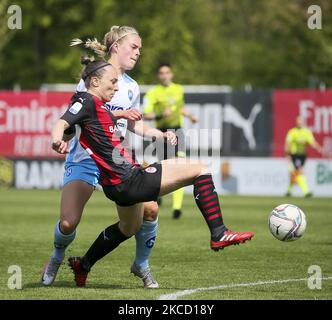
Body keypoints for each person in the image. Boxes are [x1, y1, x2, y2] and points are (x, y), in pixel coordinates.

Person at [51, 59, 254, 287]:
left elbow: (91, 122)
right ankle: (219, 232)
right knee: (200, 169)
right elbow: (62, 122)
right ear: (95, 81)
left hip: (117, 185)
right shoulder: (85, 100)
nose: (117, 87)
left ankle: (84, 264)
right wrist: (57, 139)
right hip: (128, 179)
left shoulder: (97, 106)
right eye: (113, 82)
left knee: (128, 228)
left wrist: (132, 120)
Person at [42, 26, 160, 289]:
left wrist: (158, 134)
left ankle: (141, 264)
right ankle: (56, 257)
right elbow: (80, 118)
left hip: (117, 163)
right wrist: (62, 139)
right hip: (85, 158)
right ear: (116, 46)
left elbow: (133, 123)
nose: (138, 53)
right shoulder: (93, 77)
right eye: (134, 47)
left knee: (151, 209)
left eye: (140, 49)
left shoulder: (132, 86)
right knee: (68, 222)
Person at [143, 63, 198, 219]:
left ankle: (177, 207)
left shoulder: (178, 89)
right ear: (158, 76)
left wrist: (190, 116)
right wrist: (161, 114)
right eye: (161, 73)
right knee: (165, 168)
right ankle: (158, 193)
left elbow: (180, 108)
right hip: (161, 133)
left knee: (179, 165)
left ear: (171, 74)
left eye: (167, 72)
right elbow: (146, 115)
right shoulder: (153, 93)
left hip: (177, 131)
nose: (165, 75)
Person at [285, 116, 322, 197]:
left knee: (295, 174)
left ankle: (288, 191)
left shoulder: (306, 132)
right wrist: (287, 154)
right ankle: (306, 192)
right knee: (300, 171)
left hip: (303, 155)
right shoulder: (292, 132)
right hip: (295, 155)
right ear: (296, 122)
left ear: (303, 122)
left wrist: (319, 148)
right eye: (298, 121)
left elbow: (312, 142)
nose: (299, 122)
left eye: (300, 121)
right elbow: (288, 143)